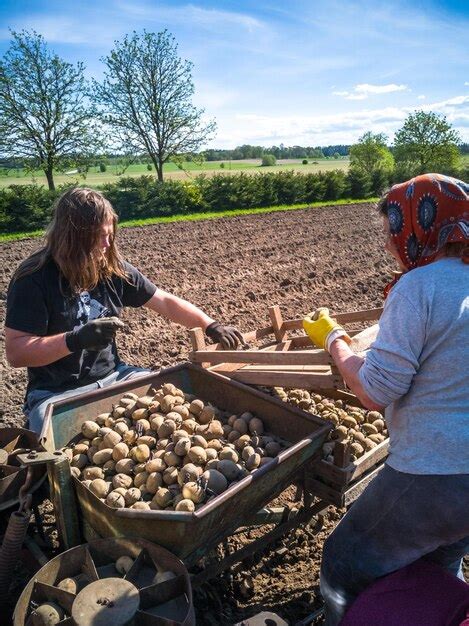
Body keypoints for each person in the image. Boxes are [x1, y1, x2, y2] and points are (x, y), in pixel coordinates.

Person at [302, 173, 469, 625]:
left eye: (390, 231)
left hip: (437, 472)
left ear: (415, 226)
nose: (388, 244)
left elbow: (376, 390)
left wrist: (334, 338)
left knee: (344, 562)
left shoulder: (420, 287)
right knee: (433, 564)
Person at [5, 187, 244, 434]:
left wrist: (210, 325)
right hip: (56, 394)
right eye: (99, 236)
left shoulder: (111, 268)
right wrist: (75, 340)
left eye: (110, 235)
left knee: (173, 400)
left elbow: (162, 300)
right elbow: (17, 352)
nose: (108, 244)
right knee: (51, 446)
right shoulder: (33, 278)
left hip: (115, 378)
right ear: (73, 236)